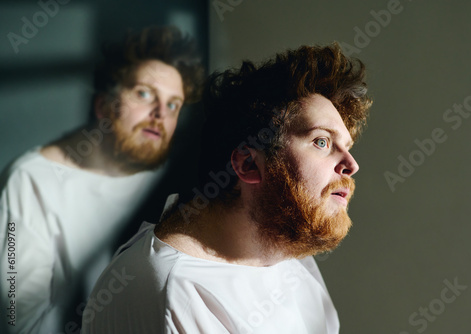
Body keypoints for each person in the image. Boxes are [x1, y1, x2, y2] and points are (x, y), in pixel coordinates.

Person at [82, 43, 372, 333]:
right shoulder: (175, 291)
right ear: (248, 164)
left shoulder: (285, 252)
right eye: (321, 142)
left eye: (346, 146)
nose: (351, 164)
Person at [0, 26, 204, 333]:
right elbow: (18, 319)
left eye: (173, 104)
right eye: (144, 93)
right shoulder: (29, 181)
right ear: (103, 105)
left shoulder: (177, 180)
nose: (160, 112)